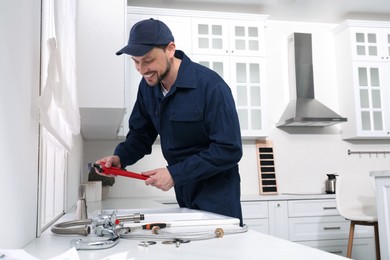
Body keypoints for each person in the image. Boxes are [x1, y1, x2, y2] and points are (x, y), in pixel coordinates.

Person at [96, 18, 243, 225]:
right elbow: (141, 134)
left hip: (217, 195)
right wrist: (120, 158)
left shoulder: (211, 86)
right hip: (183, 192)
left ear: (170, 49)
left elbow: (230, 149)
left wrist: (175, 173)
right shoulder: (147, 87)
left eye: (148, 60)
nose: (142, 69)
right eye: (135, 62)